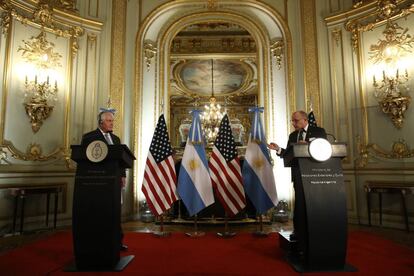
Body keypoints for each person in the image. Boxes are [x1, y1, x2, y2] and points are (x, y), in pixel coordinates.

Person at [268, 110, 326, 255]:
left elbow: (323, 147)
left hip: (315, 175)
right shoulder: (293, 136)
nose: (293, 123)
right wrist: (278, 149)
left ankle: (316, 231)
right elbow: (289, 154)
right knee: (300, 205)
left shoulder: (318, 131)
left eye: (296, 120)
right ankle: (299, 232)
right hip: (299, 175)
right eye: (292, 121)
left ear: (305, 120)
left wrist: (306, 144)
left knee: (314, 205)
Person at [81, 110, 128, 251]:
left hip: (114, 182)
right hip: (97, 181)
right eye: (109, 121)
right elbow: (85, 159)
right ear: (101, 122)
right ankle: (99, 243)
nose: (112, 123)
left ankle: (117, 242)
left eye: (113, 121)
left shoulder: (116, 139)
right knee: (100, 212)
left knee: (115, 211)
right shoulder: (89, 137)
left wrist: (123, 175)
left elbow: (121, 160)